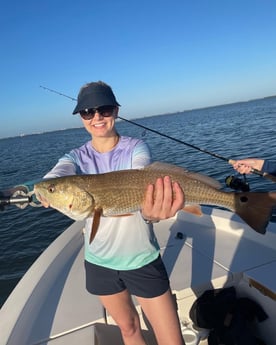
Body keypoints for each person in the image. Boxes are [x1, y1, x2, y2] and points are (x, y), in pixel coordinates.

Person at [41, 81, 186, 345]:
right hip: (99, 263)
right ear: (81, 117)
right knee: (128, 329)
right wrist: (46, 188)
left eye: (104, 109)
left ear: (116, 111)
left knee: (172, 340)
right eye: (87, 112)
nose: (96, 117)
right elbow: (58, 174)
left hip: (141, 259)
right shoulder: (75, 157)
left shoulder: (135, 148)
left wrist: (153, 212)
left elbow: (142, 175)